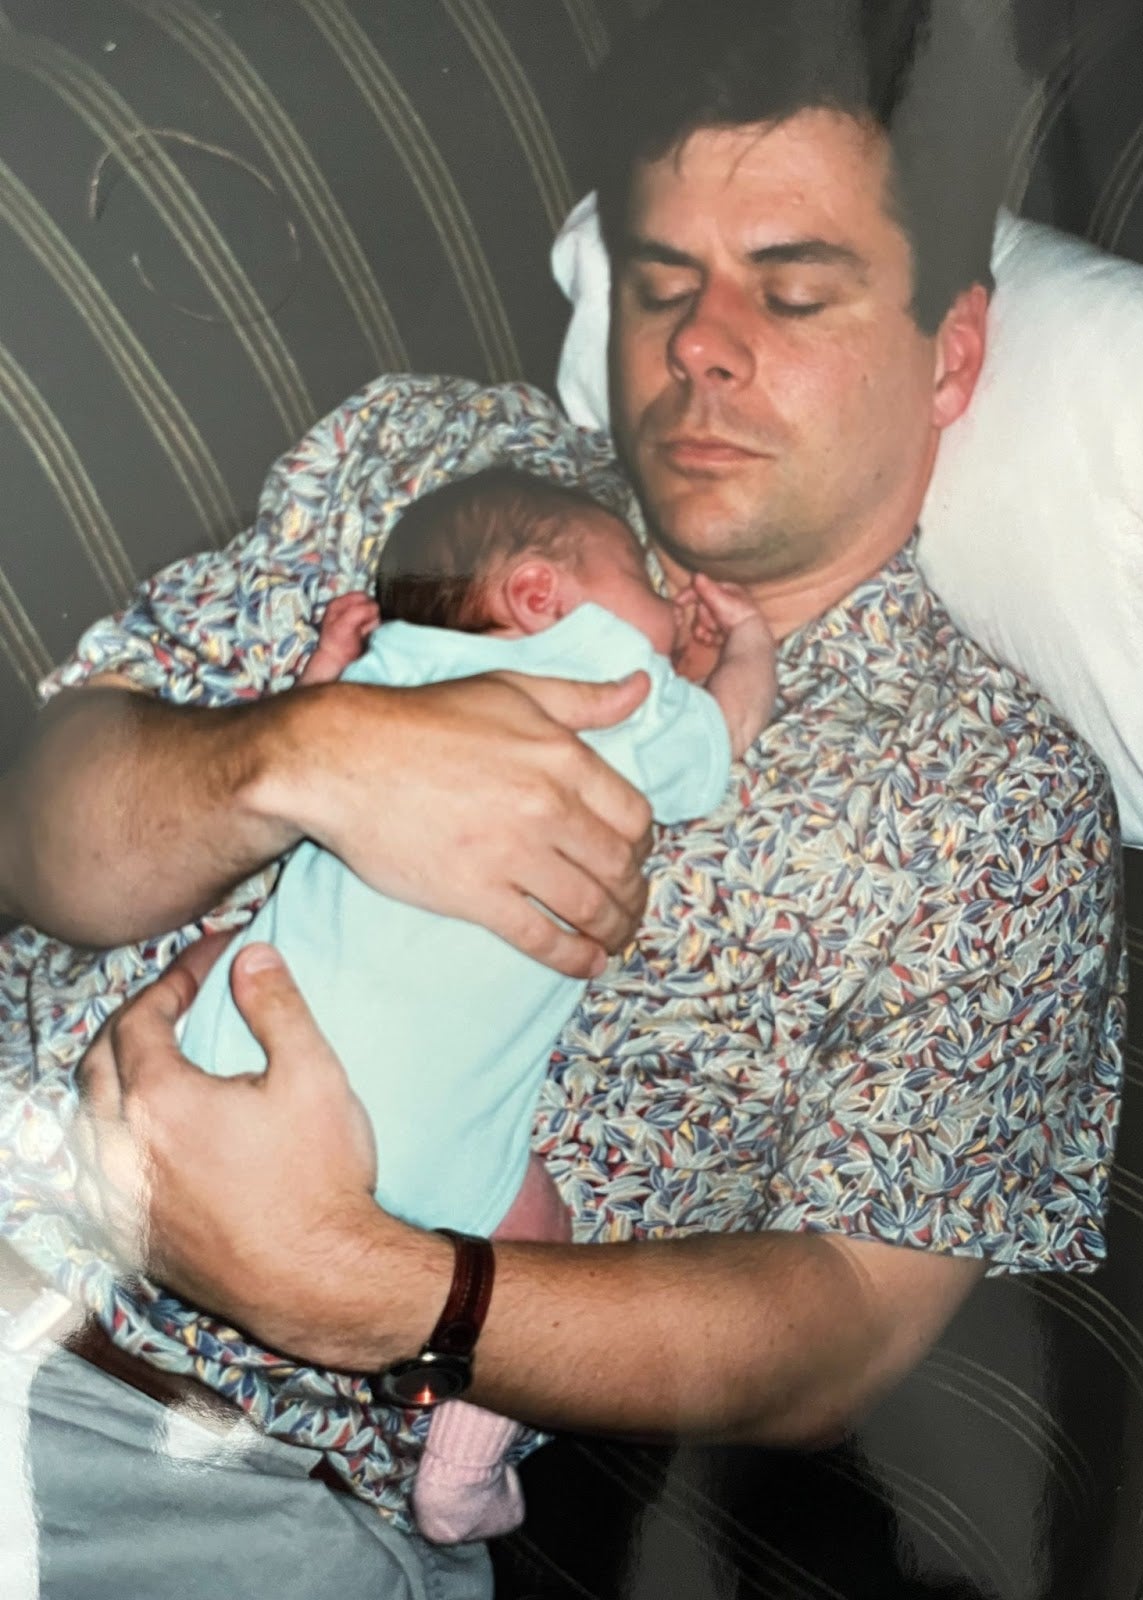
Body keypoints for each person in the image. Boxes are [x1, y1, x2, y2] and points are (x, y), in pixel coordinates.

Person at [0, 2, 1124, 1596]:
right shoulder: (434, 467)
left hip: (251, 1484)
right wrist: (301, 751)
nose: (698, 344)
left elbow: (844, 1327)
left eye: (792, 290)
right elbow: (39, 832)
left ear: (951, 351)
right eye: (663, 282)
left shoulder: (994, 804)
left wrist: (379, 1287)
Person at [178, 466, 777, 1544]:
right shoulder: (606, 676)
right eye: (637, 575)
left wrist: (325, 670)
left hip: (245, 1054)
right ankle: (460, 1466)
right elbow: (718, 745)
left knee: (231, 949)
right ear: (542, 597)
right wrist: (739, 652)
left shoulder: (387, 676)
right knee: (536, 1242)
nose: (654, 599)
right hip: (440, 1156)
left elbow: (304, 733)